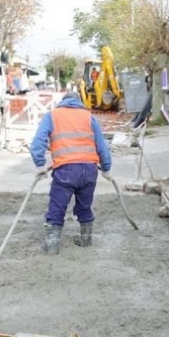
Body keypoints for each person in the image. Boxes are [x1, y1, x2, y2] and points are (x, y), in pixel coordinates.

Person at [29, 90, 112, 254]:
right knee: (85, 206)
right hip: (89, 170)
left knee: (57, 207)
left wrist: (40, 165)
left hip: (66, 170)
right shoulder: (89, 117)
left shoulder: (52, 116)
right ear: (79, 102)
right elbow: (102, 146)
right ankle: (86, 240)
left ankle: (52, 246)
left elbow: (37, 144)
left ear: (63, 101)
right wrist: (107, 168)